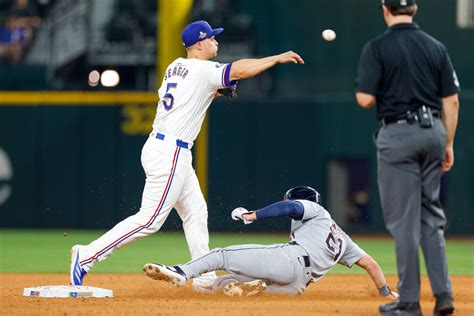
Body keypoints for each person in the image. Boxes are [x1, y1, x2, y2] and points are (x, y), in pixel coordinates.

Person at [70, 20, 304, 293]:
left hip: (167, 148)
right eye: (213, 39)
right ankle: (88, 255)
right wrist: (276, 58)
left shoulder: (175, 67)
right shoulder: (203, 69)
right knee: (149, 220)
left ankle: (204, 278)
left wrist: (216, 91)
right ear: (200, 44)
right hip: (170, 151)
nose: (217, 43)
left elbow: (192, 96)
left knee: (196, 212)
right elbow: (238, 69)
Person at [355, 1, 460, 315]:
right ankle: (444, 296)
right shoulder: (435, 46)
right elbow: (452, 101)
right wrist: (448, 143)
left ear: (385, 10)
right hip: (434, 132)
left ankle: (410, 301)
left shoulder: (377, 47)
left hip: (398, 133)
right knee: (431, 217)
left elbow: (365, 99)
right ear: (414, 9)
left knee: (404, 222)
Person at [143, 186, 399, 299]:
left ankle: (181, 272)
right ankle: (244, 289)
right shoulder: (342, 237)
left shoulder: (316, 210)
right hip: (297, 287)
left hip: (291, 261)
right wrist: (385, 292)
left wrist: (251, 215)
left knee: (222, 254)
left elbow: (289, 206)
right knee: (226, 284)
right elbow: (372, 265)